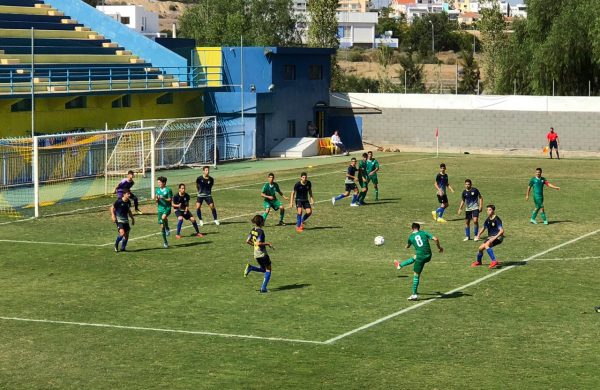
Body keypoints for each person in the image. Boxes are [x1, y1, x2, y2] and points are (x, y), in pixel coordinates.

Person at [393, 222, 443, 301]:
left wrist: (406, 246)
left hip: (421, 257)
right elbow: (436, 239)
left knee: (416, 275)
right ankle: (400, 265)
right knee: (415, 257)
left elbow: (408, 246)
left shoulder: (411, 237)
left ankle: (414, 295)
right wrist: (439, 248)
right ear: (418, 228)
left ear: (412, 228)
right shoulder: (423, 233)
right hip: (429, 255)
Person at [244, 215, 273, 293]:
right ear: (261, 222)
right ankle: (263, 289)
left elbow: (247, 241)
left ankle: (251, 267)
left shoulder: (253, 230)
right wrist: (268, 244)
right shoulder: (261, 231)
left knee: (263, 269)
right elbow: (259, 243)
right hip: (262, 254)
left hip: (256, 254)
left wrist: (254, 245)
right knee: (268, 270)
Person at [472, 204, 504, 269]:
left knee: (487, 245)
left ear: (493, 211)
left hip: (498, 237)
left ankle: (494, 261)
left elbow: (502, 231)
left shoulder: (497, 219)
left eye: (490, 210)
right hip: (491, 237)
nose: (488, 211)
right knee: (480, 248)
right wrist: (478, 235)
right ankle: (479, 262)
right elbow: (483, 227)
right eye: (487, 210)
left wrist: (494, 238)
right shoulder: (488, 219)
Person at [155, 176, 172, 248]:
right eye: (158, 182)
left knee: (164, 217)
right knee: (162, 227)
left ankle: (167, 228)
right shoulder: (157, 190)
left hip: (167, 208)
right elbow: (156, 201)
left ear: (164, 183)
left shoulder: (168, 190)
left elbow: (170, 200)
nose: (158, 183)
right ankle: (165, 242)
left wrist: (163, 198)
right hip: (160, 209)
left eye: (159, 182)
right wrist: (156, 199)